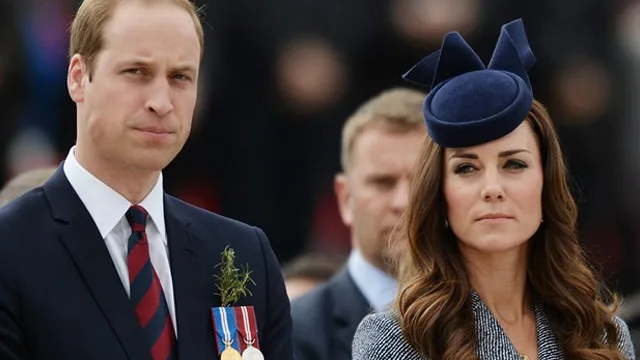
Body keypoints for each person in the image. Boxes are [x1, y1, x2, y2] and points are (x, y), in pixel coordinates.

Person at [0, 0, 293, 359]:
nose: (161, 101)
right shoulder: (10, 249)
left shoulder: (246, 253)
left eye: (180, 77)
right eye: (137, 72)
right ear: (78, 77)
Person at [352, 19, 635, 360]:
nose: (492, 189)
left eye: (514, 164)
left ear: (546, 186)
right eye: (466, 168)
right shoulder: (397, 338)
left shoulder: (603, 332)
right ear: (439, 195)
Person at [291, 88, 426, 360]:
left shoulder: (494, 320)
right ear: (345, 198)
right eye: (383, 182)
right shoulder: (294, 332)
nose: (403, 202)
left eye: (422, 182)